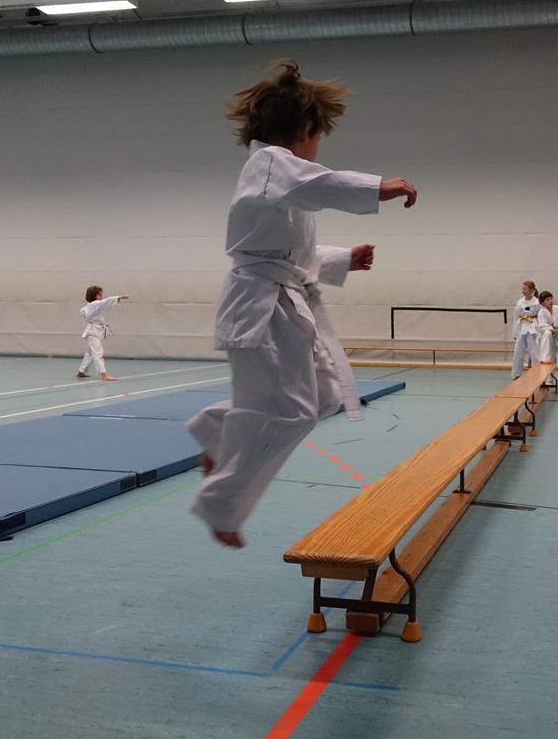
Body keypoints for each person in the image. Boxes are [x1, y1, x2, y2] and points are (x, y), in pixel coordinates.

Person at [185, 60, 417, 549]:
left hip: (281, 301)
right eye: (317, 137)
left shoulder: (277, 180)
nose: (317, 150)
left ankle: (218, 433)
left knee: (324, 394)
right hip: (260, 307)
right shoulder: (270, 164)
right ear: (305, 130)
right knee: (290, 411)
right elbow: (319, 184)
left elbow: (288, 253)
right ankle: (221, 503)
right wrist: (380, 187)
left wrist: (341, 259)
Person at [77, 286, 130, 381]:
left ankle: (81, 371)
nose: (101, 297)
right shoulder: (95, 304)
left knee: (90, 353)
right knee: (98, 353)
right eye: (99, 295)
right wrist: (119, 297)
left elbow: (81, 312)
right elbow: (105, 301)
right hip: (93, 332)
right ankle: (103, 374)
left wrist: (90, 318)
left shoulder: (90, 305)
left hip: (94, 330)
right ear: (93, 296)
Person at [511, 281, 541, 379]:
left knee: (534, 352)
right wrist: (514, 333)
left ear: (532, 290)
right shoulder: (519, 302)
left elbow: (541, 317)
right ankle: (516, 373)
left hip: (533, 327)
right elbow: (516, 317)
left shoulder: (537, 302)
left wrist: (541, 331)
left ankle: (537, 374)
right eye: (522, 289)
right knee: (518, 351)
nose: (523, 291)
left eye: (525, 289)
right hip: (521, 327)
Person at [536, 290, 558, 387]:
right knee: (547, 357)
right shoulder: (541, 312)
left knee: (553, 358)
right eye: (547, 300)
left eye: (551, 299)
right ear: (542, 303)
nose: (551, 301)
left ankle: (550, 379)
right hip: (544, 338)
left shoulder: (556, 308)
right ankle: (546, 380)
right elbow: (543, 326)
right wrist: (554, 330)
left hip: (555, 337)